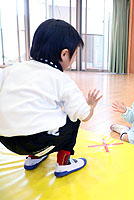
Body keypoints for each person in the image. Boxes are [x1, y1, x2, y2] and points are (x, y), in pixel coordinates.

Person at [0, 19, 102, 177]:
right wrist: (91, 106)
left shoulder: (11, 69)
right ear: (64, 54)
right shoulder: (61, 79)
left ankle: (34, 157)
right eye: (74, 55)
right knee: (72, 117)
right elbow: (84, 115)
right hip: (38, 141)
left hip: (6, 140)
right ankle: (64, 162)